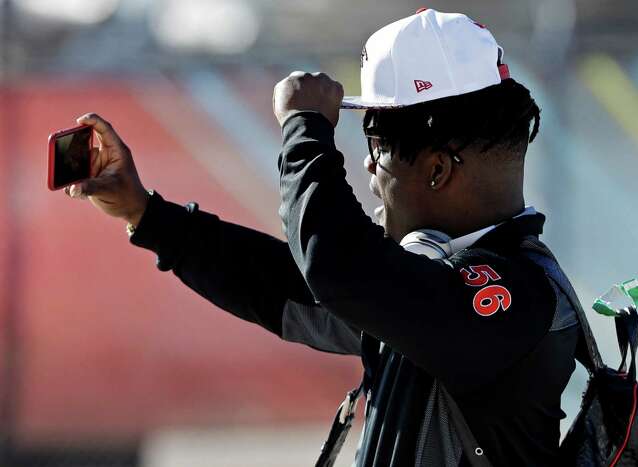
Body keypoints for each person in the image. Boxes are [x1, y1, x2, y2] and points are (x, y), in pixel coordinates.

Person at [66, 8, 583, 467]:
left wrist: (305, 129)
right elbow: (284, 287)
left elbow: (336, 268)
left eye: (376, 144)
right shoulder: (441, 283)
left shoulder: (514, 300)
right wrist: (146, 213)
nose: (367, 164)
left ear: (436, 170)